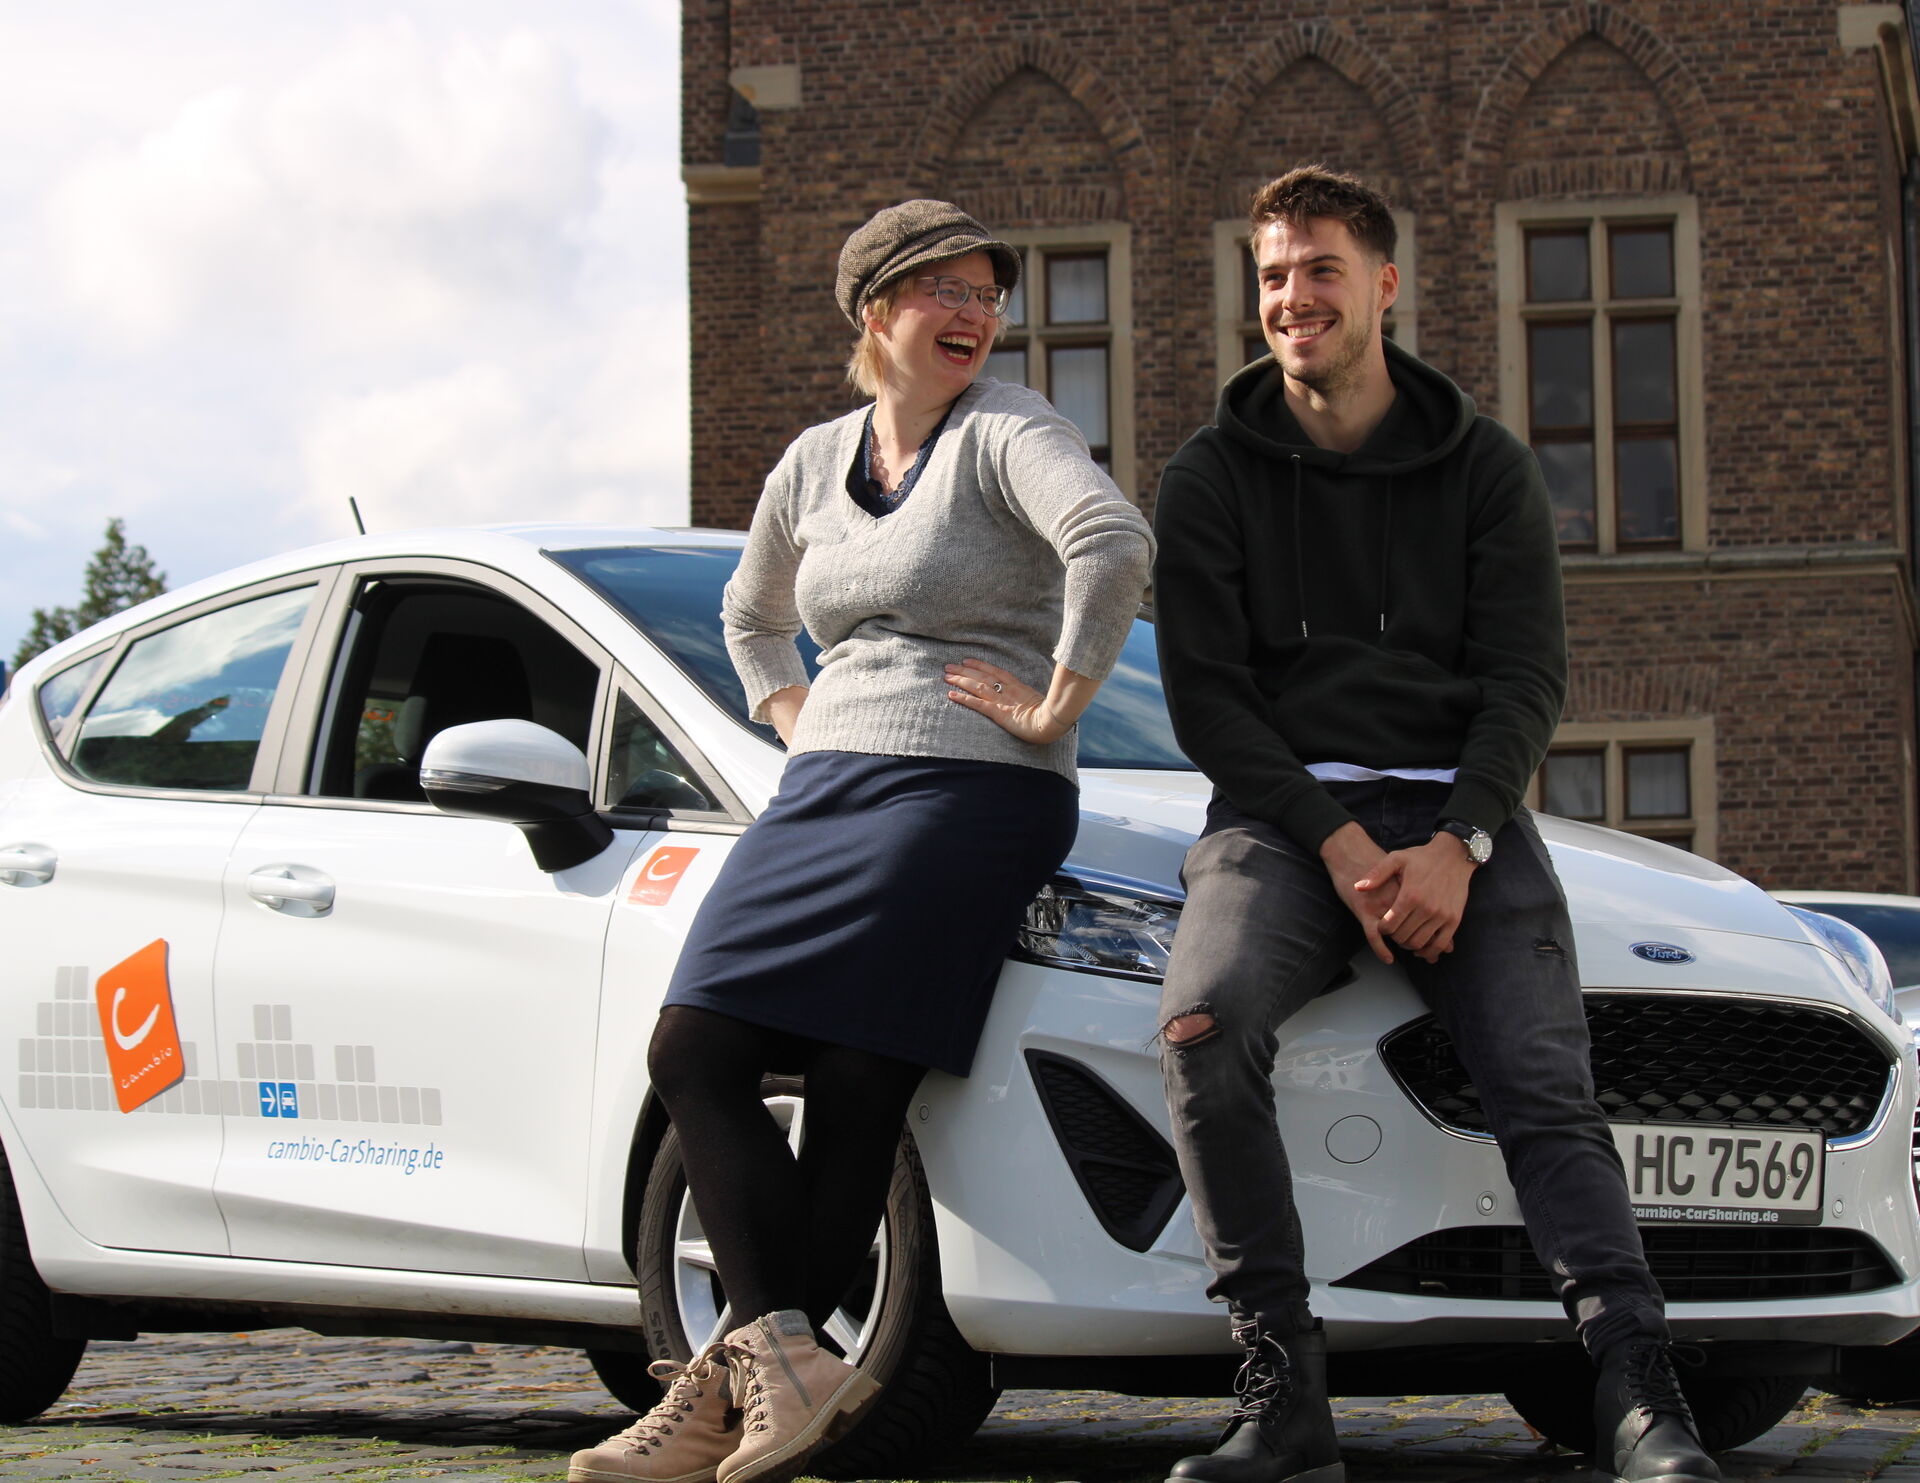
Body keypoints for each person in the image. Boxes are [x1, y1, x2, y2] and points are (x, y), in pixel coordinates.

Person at [567, 200, 1153, 1483]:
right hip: (826, 787)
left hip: (967, 790)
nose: (973, 310)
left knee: (856, 1082)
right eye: (939, 287)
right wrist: (799, 715)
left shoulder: (1010, 429)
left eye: (986, 291)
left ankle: (733, 1382)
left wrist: (1056, 705)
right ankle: (771, 1361)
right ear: (874, 313)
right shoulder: (811, 460)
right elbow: (750, 615)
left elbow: (1110, 541)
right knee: (697, 1044)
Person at [1149, 165, 1719, 1483]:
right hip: (1287, 826)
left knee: (1545, 1081)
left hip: (1460, 817)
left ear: (1385, 285)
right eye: (1277, 273)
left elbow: (1527, 680)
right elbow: (1211, 705)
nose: (1295, 296)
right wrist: (1346, 849)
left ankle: (1641, 1395)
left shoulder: (1486, 466)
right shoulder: (1211, 476)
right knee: (1202, 1024)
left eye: (1323, 269)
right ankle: (1283, 1393)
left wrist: (1459, 842)